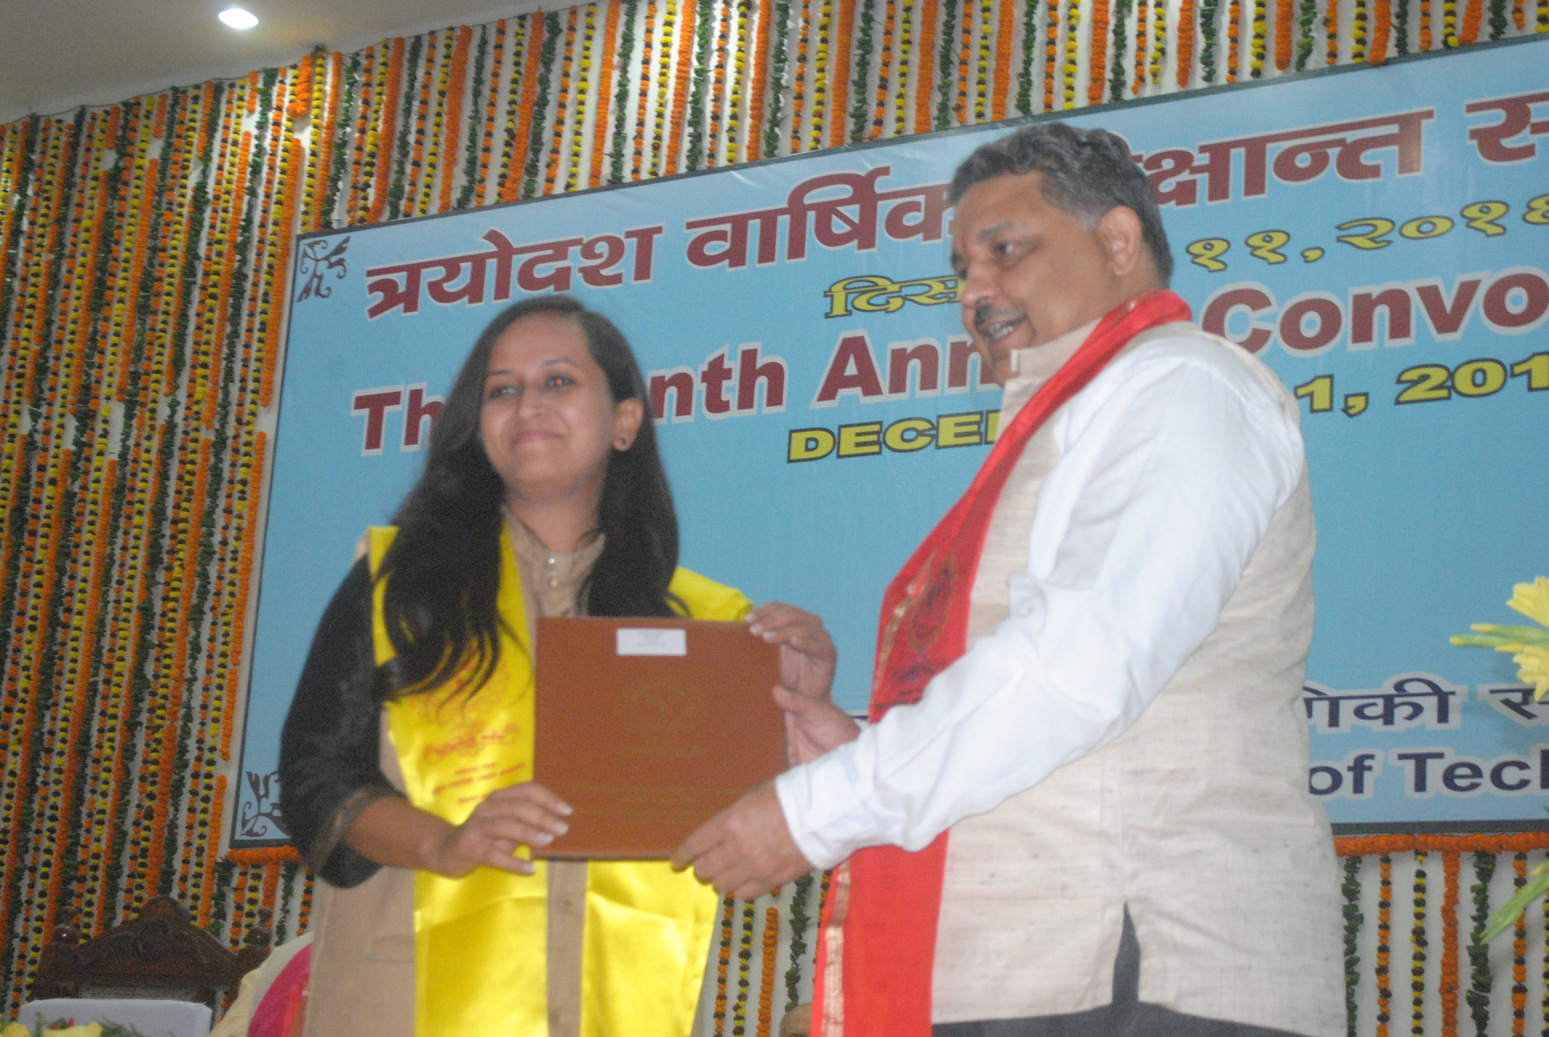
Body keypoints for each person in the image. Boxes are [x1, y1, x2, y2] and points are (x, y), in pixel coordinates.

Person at [672, 123, 1344, 1037]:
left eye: (1005, 251)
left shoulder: (1182, 384)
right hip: (1034, 970)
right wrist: (855, 751)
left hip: (1147, 960)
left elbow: (1078, 665)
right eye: (961, 268)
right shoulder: (1074, 412)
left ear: (1116, 241)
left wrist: (816, 809)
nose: (973, 291)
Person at [279, 295, 834, 1037]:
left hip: (626, 1003)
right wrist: (442, 841)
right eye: (501, 389)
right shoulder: (397, 584)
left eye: (558, 381)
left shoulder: (697, 621)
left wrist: (791, 713)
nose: (526, 405)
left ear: (625, 420)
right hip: (407, 999)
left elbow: (740, 833)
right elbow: (316, 780)